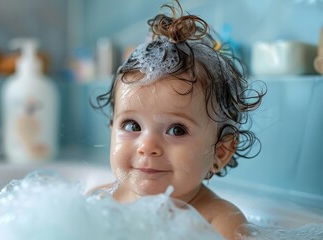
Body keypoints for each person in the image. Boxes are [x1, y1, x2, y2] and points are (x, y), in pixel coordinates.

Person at [92, 1, 265, 239]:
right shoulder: (100, 202)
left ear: (221, 152)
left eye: (176, 130)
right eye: (132, 126)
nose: (147, 147)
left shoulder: (220, 223)